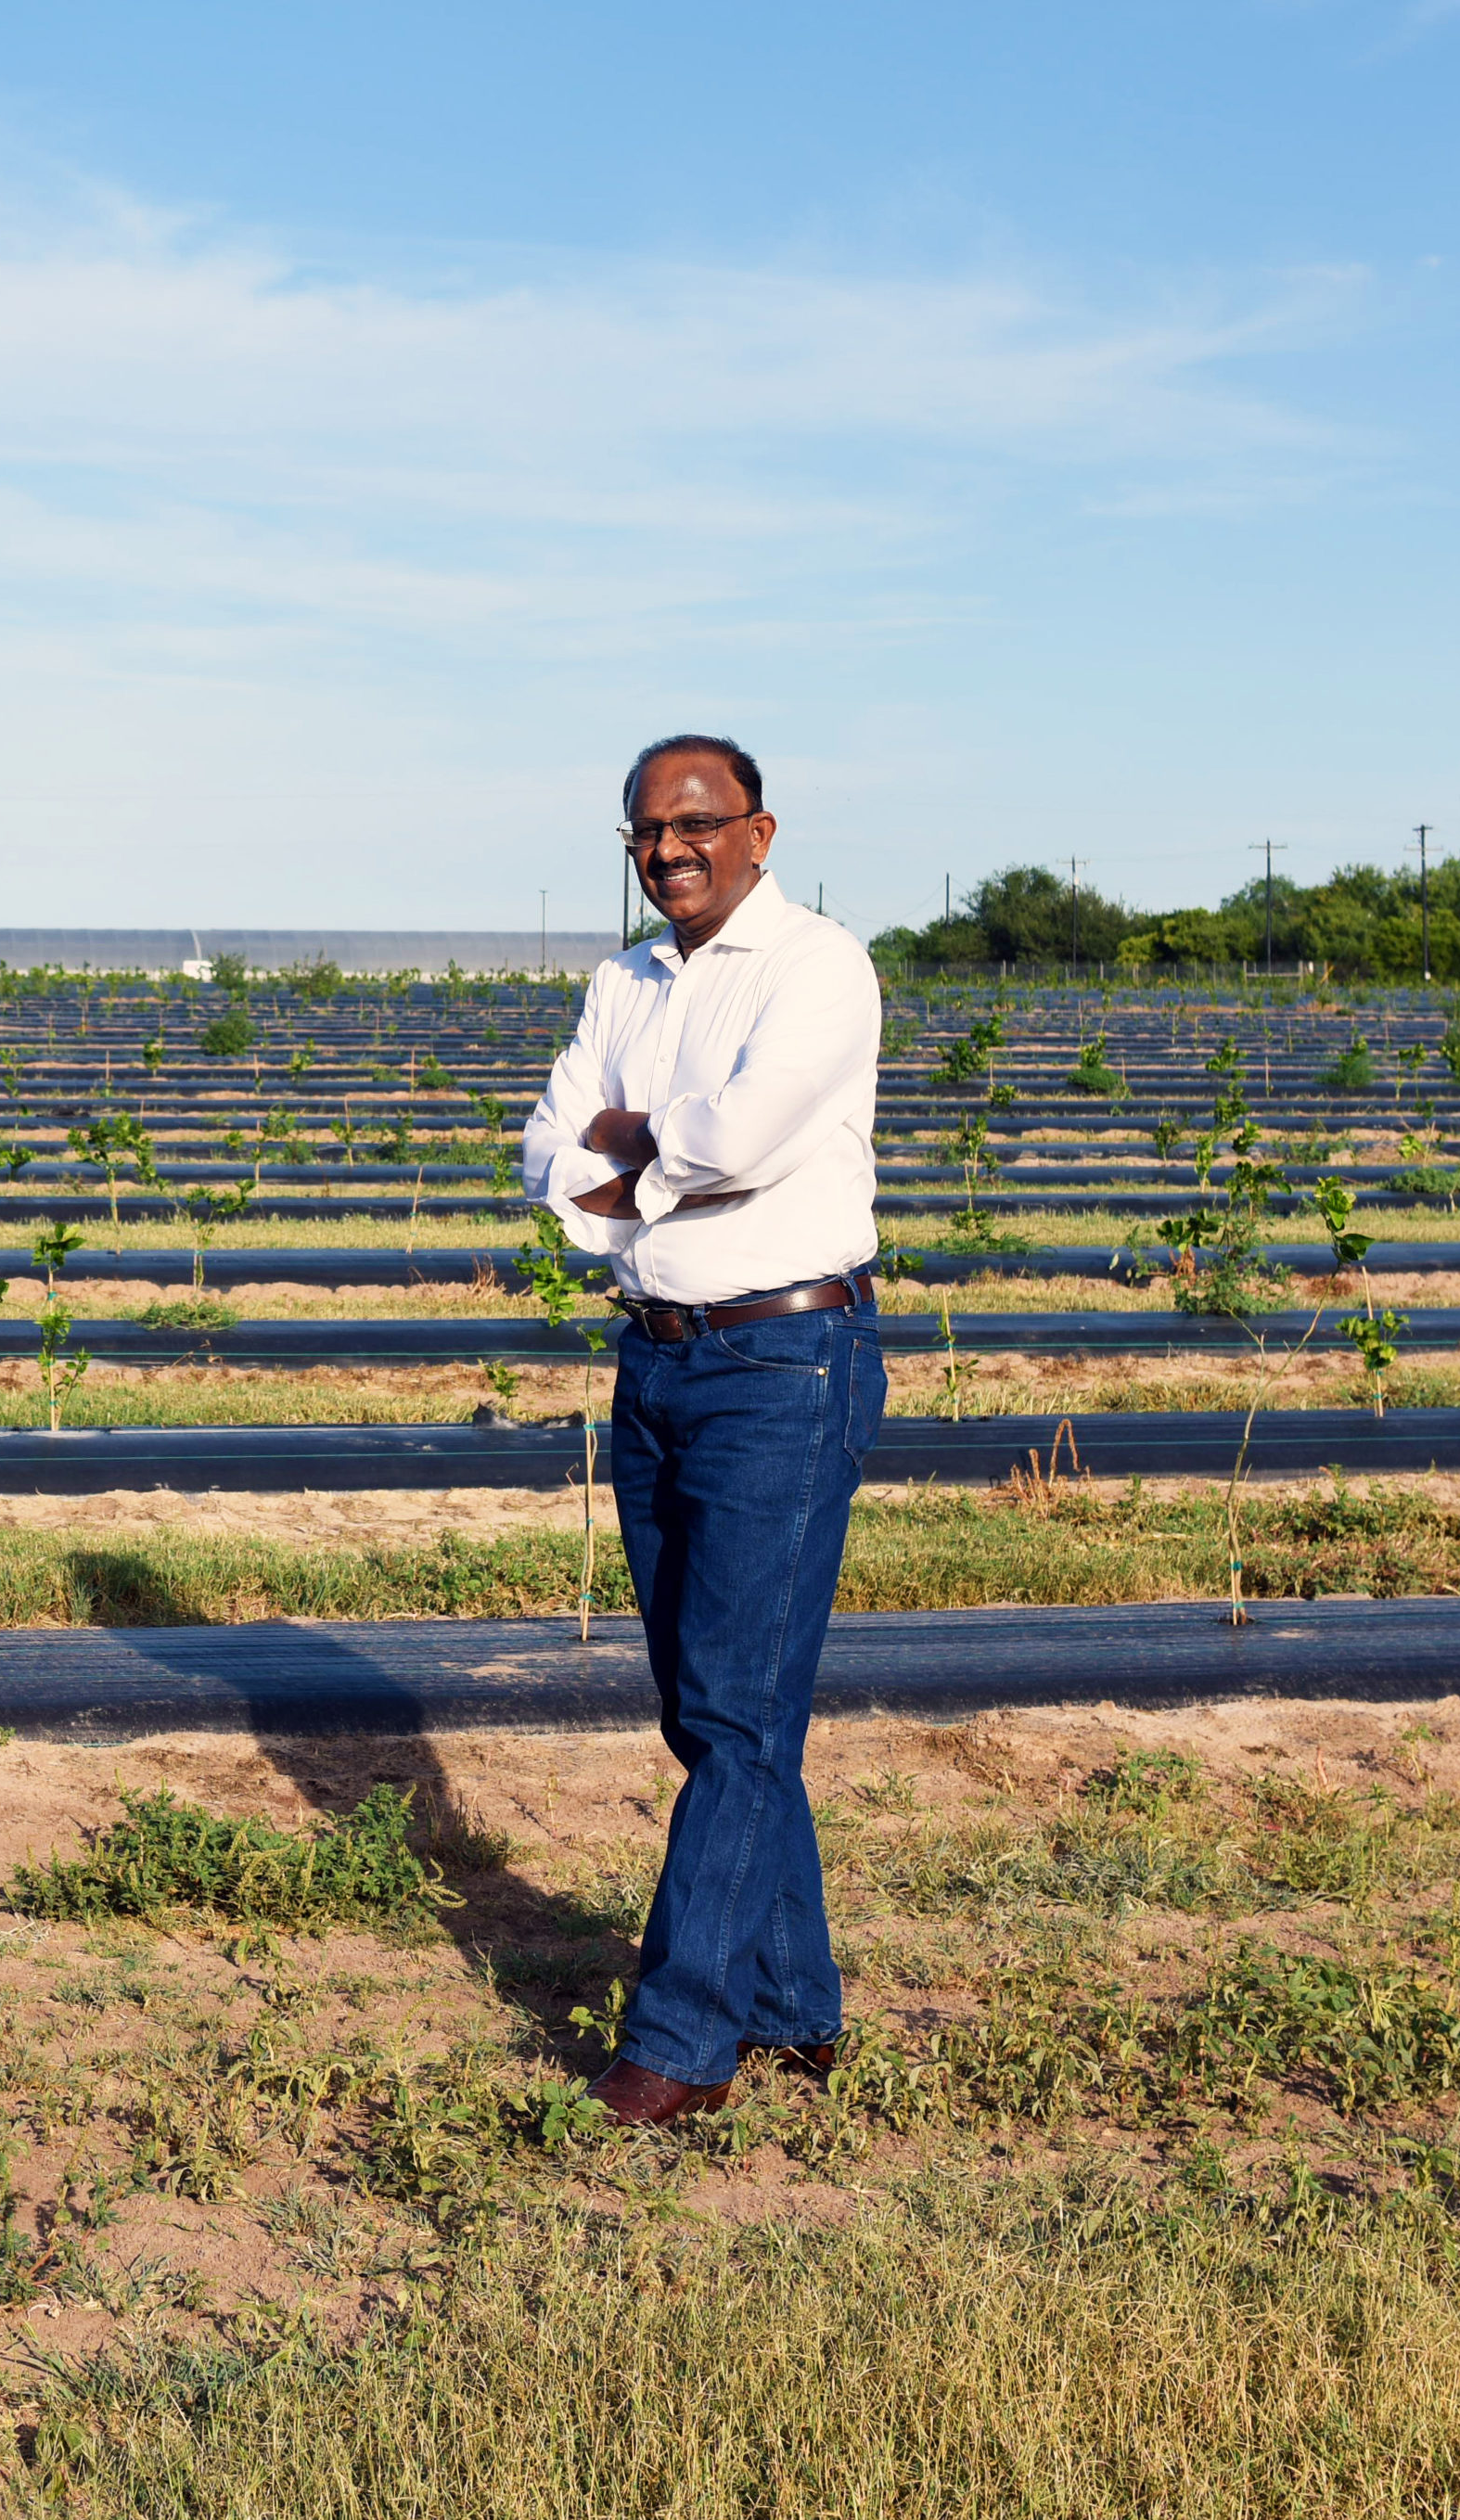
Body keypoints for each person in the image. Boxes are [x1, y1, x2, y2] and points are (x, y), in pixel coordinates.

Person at [521, 734, 886, 2125]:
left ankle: (678, 2043)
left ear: (757, 828)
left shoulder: (818, 968)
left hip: (784, 1360)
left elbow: (737, 1140)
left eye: (692, 826)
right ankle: (795, 2007)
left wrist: (636, 1142)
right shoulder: (621, 981)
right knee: (711, 1711)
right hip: (657, 1359)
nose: (666, 852)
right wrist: (642, 1144)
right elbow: (547, 1146)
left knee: (735, 1713)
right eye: (643, 836)